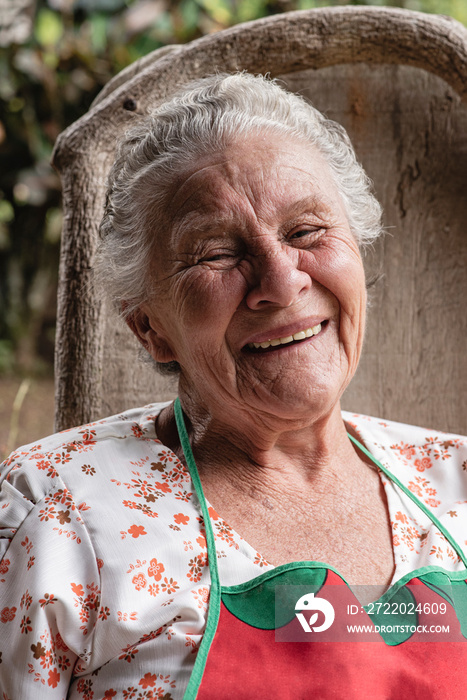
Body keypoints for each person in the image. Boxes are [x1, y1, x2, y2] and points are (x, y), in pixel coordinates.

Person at [1, 72, 466, 700]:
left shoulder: (456, 484)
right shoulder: (56, 512)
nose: (281, 280)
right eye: (218, 252)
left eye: (306, 232)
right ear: (151, 329)